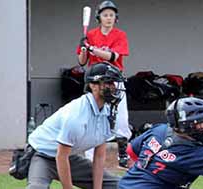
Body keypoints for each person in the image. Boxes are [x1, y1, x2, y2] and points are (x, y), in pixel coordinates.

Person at [26, 63, 123, 189]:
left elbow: (99, 156)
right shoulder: (77, 114)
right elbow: (61, 156)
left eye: (113, 83)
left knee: (121, 185)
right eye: (108, 82)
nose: (113, 87)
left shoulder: (108, 112)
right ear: (93, 85)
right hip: (43, 155)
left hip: (70, 158)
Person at [76, 0, 132, 167]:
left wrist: (93, 49)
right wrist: (84, 49)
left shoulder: (120, 35)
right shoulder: (91, 35)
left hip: (115, 79)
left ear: (116, 18)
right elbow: (81, 61)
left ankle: (123, 156)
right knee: (92, 117)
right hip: (95, 81)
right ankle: (88, 157)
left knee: (121, 119)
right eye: (105, 15)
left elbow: (113, 57)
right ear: (99, 17)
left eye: (111, 15)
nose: (108, 18)